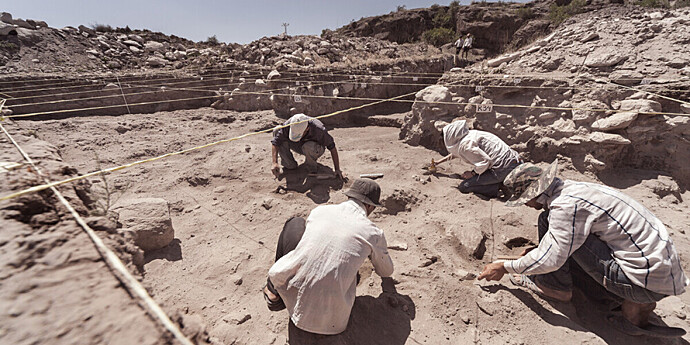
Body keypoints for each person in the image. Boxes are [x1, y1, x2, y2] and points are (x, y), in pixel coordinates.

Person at [478, 160, 689, 335]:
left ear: (533, 195)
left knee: (552, 227)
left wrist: (506, 267)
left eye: (523, 200)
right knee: (555, 225)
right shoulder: (575, 189)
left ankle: (555, 288)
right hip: (662, 275)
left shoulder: (565, 207)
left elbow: (551, 259)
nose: (524, 205)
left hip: (642, 284)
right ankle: (633, 304)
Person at [263, 178, 395, 335]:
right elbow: (386, 271)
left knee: (296, 224)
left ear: (350, 196)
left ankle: (274, 290)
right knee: (350, 273)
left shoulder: (320, 211)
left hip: (291, 299)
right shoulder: (374, 233)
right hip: (333, 323)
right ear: (370, 206)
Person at [432, 120, 521, 199]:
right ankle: (496, 181)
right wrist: (438, 162)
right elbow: (457, 153)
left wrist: (472, 173)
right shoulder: (470, 135)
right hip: (513, 160)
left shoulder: (465, 145)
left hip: (503, 167)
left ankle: (497, 186)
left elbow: (485, 162)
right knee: (477, 177)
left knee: (465, 186)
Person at [271, 113, 344, 179]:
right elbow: (276, 142)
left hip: (314, 148)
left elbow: (332, 147)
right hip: (298, 145)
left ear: (307, 129)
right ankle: (289, 164)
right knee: (277, 130)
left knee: (308, 146)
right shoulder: (289, 123)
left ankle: (311, 168)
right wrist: (274, 162)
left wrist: (337, 169)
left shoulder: (318, 129)